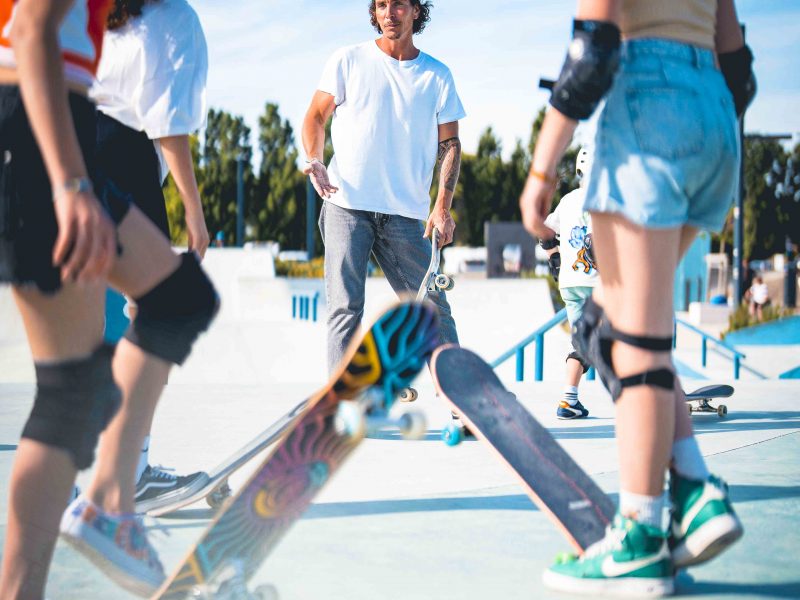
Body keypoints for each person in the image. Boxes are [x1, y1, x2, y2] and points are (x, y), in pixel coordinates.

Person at [519, 0, 754, 595]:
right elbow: (738, 65)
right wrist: (705, 119)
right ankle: (696, 492)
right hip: (714, 116)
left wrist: (542, 171)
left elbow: (592, 50)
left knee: (636, 345)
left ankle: (641, 537)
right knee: (609, 325)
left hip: (650, 113)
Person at [0, 1, 218, 597]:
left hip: (46, 130)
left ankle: (105, 505)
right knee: (171, 303)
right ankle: (111, 499)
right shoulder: (169, 21)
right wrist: (71, 185)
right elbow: (30, 28)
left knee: (75, 389)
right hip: (37, 135)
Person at [301, 1, 463, 408]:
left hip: (406, 214)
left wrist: (441, 204)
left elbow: (451, 145)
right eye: (381, 5)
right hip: (346, 203)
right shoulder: (348, 60)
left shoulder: (436, 75)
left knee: (431, 306)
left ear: (416, 11)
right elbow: (315, 117)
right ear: (374, 12)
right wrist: (315, 160)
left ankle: (463, 399)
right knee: (345, 307)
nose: (390, 12)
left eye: (399, 5)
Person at [91, 0, 211, 513]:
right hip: (122, 156)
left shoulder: (100, 12)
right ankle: (130, 471)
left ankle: (91, 474)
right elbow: (165, 121)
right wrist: (193, 209)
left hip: (66, 154)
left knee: (95, 323)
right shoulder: (173, 18)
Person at [539, 147, 598, 420]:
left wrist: (555, 260)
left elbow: (545, 232)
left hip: (570, 284)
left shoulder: (569, 200)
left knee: (583, 344)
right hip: (600, 285)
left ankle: (569, 400)